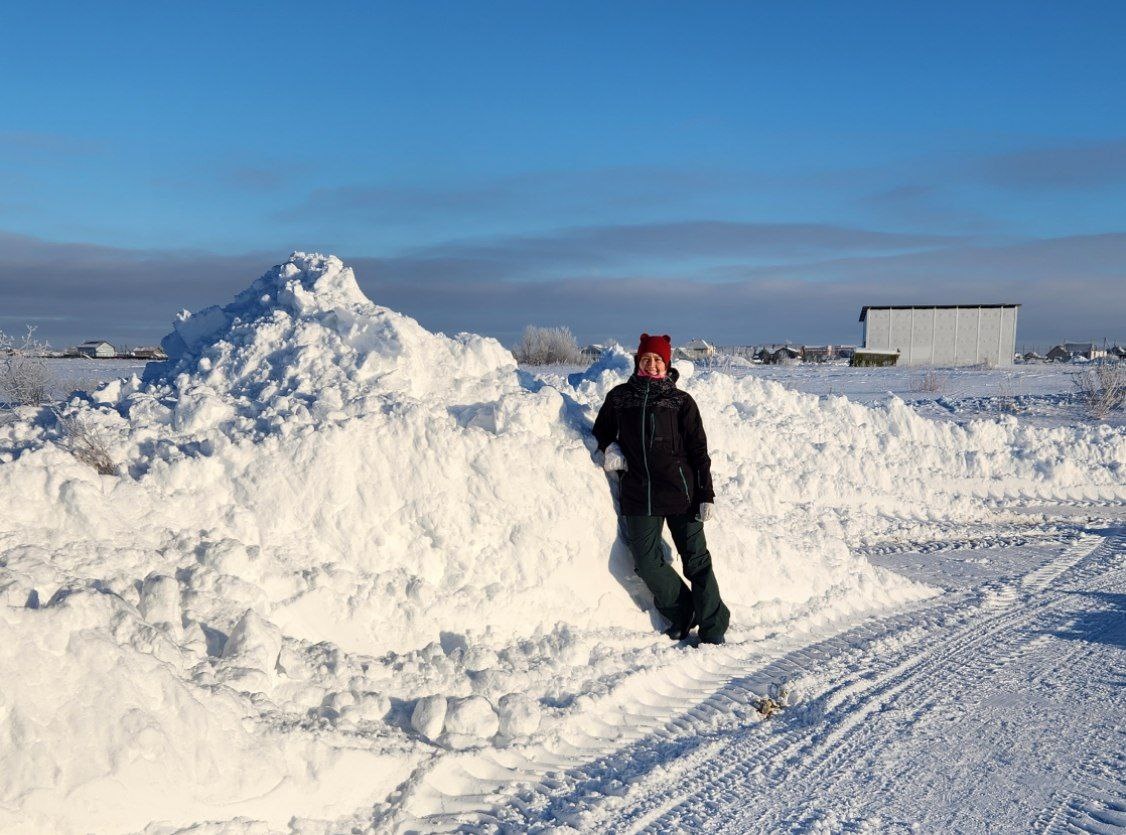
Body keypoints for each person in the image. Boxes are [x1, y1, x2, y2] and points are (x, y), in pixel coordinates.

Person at [592, 333, 730, 644]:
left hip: (682, 493)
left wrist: (706, 494)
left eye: (657, 360)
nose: (652, 364)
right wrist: (610, 447)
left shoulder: (681, 402)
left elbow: (698, 450)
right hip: (639, 493)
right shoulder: (619, 397)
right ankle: (683, 613)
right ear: (638, 362)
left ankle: (713, 625)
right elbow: (600, 430)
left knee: (696, 561)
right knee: (646, 562)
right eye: (646, 359)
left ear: (666, 364)